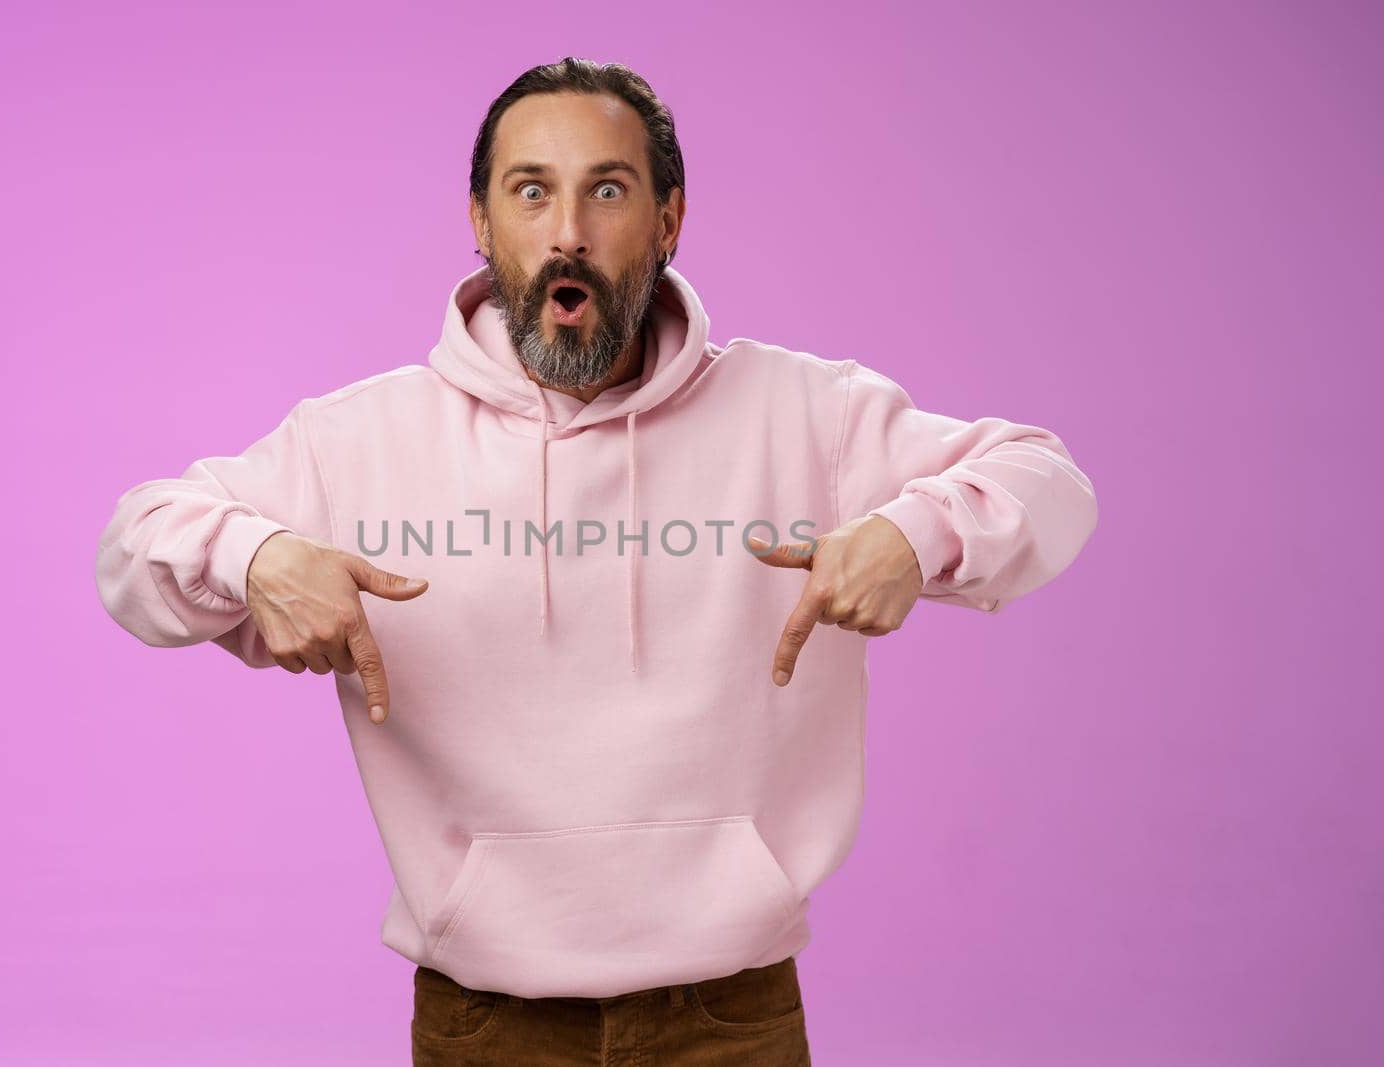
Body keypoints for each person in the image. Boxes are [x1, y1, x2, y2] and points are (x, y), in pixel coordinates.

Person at [94, 56, 1098, 1066]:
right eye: (531, 190)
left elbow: (1045, 479)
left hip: (730, 1018)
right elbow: (134, 546)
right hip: (485, 1021)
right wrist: (257, 551)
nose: (566, 230)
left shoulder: (808, 415)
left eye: (605, 190)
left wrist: (912, 530)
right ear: (482, 223)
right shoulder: (355, 440)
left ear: (668, 221)